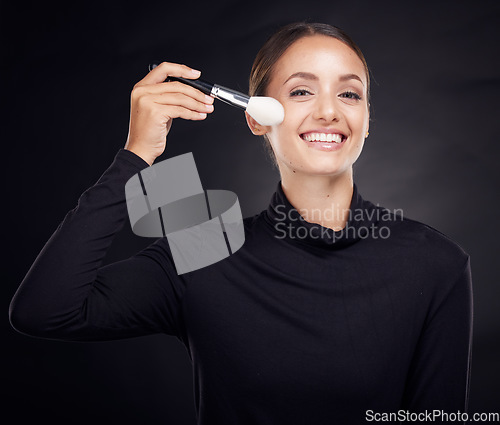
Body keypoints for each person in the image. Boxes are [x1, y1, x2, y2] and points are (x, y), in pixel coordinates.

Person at [9, 22, 473, 424]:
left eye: (349, 93)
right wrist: (136, 157)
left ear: (366, 120)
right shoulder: (204, 246)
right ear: (256, 117)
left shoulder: (434, 264)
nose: (329, 111)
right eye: (301, 91)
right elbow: (46, 309)